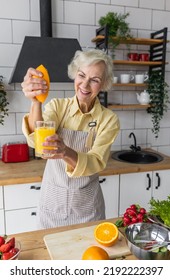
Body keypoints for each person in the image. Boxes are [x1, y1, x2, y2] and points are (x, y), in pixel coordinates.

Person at [21, 49, 120, 229]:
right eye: (81, 75)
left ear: (104, 84)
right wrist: (36, 102)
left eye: (95, 80)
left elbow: (96, 162)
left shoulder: (108, 119)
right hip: (51, 206)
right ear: (75, 74)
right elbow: (37, 140)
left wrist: (65, 152)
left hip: (88, 210)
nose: (85, 84)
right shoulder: (58, 107)